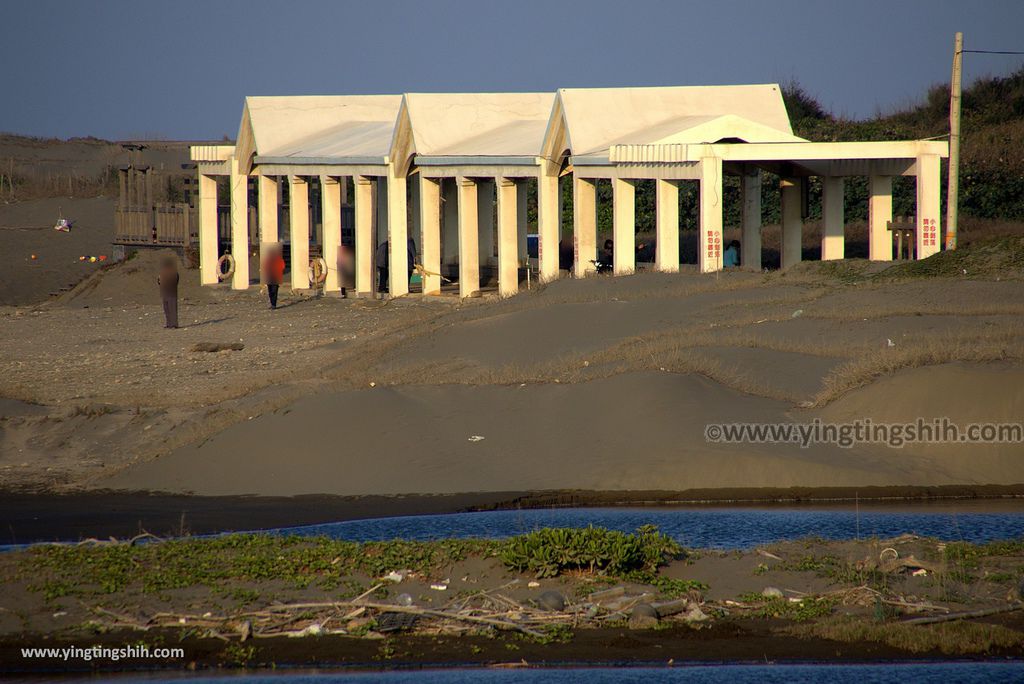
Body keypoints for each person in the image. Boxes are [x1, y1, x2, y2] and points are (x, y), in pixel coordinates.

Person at [157, 255, 179, 329]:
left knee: (168, 309)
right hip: (171, 292)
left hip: (166, 292)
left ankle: (171, 324)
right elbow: (176, 281)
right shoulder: (174, 272)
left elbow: (159, 281)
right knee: (171, 309)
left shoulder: (164, 273)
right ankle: (172, 324)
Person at [263, 245, 285, 309]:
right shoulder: (268, 260)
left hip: (275, 277)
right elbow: (265, 268)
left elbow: (282, 267)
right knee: (271, 291)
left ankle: (273, 304)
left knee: (273, 291)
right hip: (271, 277)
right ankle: (272, 304)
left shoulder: (278, 260)